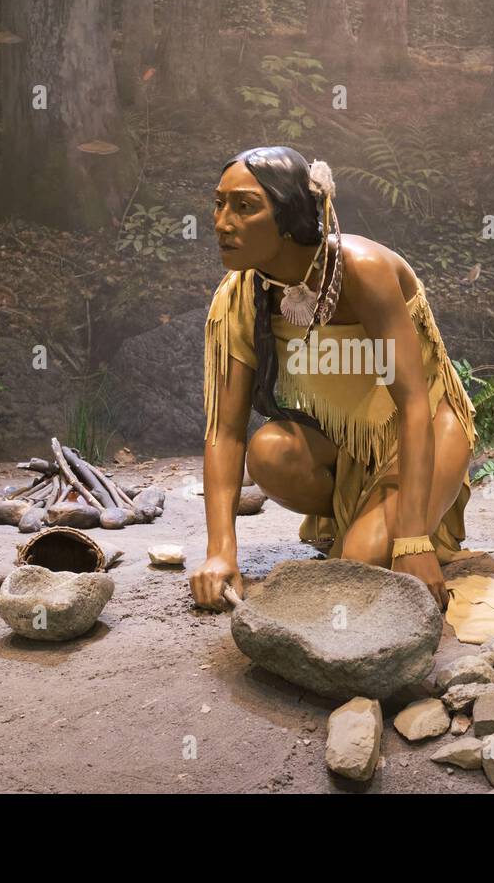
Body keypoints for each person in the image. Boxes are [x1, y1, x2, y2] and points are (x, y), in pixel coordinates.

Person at [189, 145, 478, 612]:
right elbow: (224, 431)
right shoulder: (241, 292)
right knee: (269, 450)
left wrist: (412, 542)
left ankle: (387, 526)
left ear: (291, 216)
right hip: (347, 443)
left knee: (354, 573)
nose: (222, 221)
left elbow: (413, 404)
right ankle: (363, 521)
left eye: (244, 207)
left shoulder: (362, 271)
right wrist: (221, 551)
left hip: (425, 430)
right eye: (219, 203)